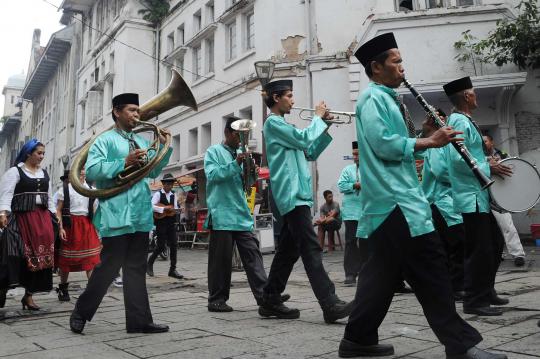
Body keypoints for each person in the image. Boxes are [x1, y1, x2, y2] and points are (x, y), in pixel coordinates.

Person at [338, 33, 505, 359]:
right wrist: (430, 142)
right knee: (431, 269)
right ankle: (462, 345)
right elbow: (383, 144)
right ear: (376, 66)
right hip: (397, 202)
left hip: (394, 203)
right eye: (396, 61)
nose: (403, 68)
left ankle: (357, 340)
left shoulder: (387, 99)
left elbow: (395, 143)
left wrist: (424, 134)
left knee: (382, 275)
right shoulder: (373, 99)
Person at [69, 93, 172, 334]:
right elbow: (92, 172)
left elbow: (152, 172)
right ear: (117, 112)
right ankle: (81, 312)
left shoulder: (140, 141)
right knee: (108, 267)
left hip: (139, 214)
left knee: (136, 268)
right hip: (116, 214)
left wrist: (166, 148)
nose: (138, 115)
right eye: (132, 110)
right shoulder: (104, 140)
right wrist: (124, 162)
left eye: (138, 111)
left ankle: (139, 321)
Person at [260, 79, 353, 324]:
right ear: (276, 98)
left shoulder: (283, 126)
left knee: (288, 251)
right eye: (289, 95)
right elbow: (303, 139)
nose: (293, 100)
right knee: (311, 248)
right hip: (291, 195)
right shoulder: (272, 124)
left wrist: (326, 125)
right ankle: (329, 302)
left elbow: (309, 151)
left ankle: (270, 297)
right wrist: (319, 119)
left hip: (297, 195)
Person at [204, 116, 289, 312]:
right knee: (221, 261)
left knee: (253, 254)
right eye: (238, 134)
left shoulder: (243, 154)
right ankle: (216, 299)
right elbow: (213, 176)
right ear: (227, 133)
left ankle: (265, 296)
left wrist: (252, 172)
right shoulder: (214, 152)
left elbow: (248, 184)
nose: (241, 138)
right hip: (222, 214)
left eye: (245, 134)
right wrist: (235, 163)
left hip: (241, 214)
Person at [444, 77, 512, 317]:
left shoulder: (464, 120)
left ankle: (486, 290)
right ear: (465, 96)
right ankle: (474, 299)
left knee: (494, 243)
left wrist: (487, 162)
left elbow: (471, 154)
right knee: (478, 249)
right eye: (472, 92)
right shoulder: (458, 120)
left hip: (478, 195)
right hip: (469, 196)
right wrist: (488, 166)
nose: (476, 96)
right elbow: (455, 159)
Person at [0, 139, 57, 311]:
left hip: (42, 220)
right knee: (13, 255)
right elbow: (6, 194)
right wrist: (3, 213)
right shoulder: (15, 172)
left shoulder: (44, 173)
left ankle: (29, 295)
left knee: (42, 258)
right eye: (38, 153)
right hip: (20, 219)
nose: (41, 156)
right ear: (28, 153)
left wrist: (54, 216)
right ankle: (2, 288)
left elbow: (48, 196)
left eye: (43, 153)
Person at [421, 111, 466, 300]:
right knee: (456, 245)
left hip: (447, 202)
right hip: (441, 203)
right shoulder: (434, 145)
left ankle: (451, 286)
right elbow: (441, 172)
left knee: (451, 247)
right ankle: (455, 287)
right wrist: (466, 177)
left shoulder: (444, 143)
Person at [55, 169, 101, 301]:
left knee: (91, 259)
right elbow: (58, 210)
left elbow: (93, 210)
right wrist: (61, 228)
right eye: (79, 170)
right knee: (66, 260)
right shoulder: (65, 189)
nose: (81, 173)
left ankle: (91, 291)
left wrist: (96, 229)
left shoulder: (91, 189)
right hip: (70, 224)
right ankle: (63, 288)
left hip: (87, 224)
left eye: (83, 170)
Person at [483, 135, 526, 267]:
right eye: (482, 142)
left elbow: (514, 170)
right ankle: (497, 254)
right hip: (484, 196)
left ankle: (518, 254)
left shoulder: (503, 154)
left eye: (485, 141)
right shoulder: (477, 157)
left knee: (507, 226)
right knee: (489, 230)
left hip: (500, 198)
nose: (483, 143)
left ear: (492, 141)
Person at [337, 141, 367, 286]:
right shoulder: (347, 169)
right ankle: (350, 274)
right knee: (350, 243)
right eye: (354, 154)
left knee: (367, 243)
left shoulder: (371, 168)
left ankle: (366, 272)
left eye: (357, 154)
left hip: (367, 211)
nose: (355, 157)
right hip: (351, 213)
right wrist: (355, 185)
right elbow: (341, 185)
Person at [147, 173, 183, 279]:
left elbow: (175, 208)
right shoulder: (158, 194)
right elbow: (151, 206)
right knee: (161, 246)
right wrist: (163, 209)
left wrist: (178, 211)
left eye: (171, 184)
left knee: (174, 244)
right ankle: (149, 263)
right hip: (161, 223)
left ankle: (172, 269)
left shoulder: (173, 195)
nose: (169, 186)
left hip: (170, 223)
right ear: (164, 184)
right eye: (168, 184)